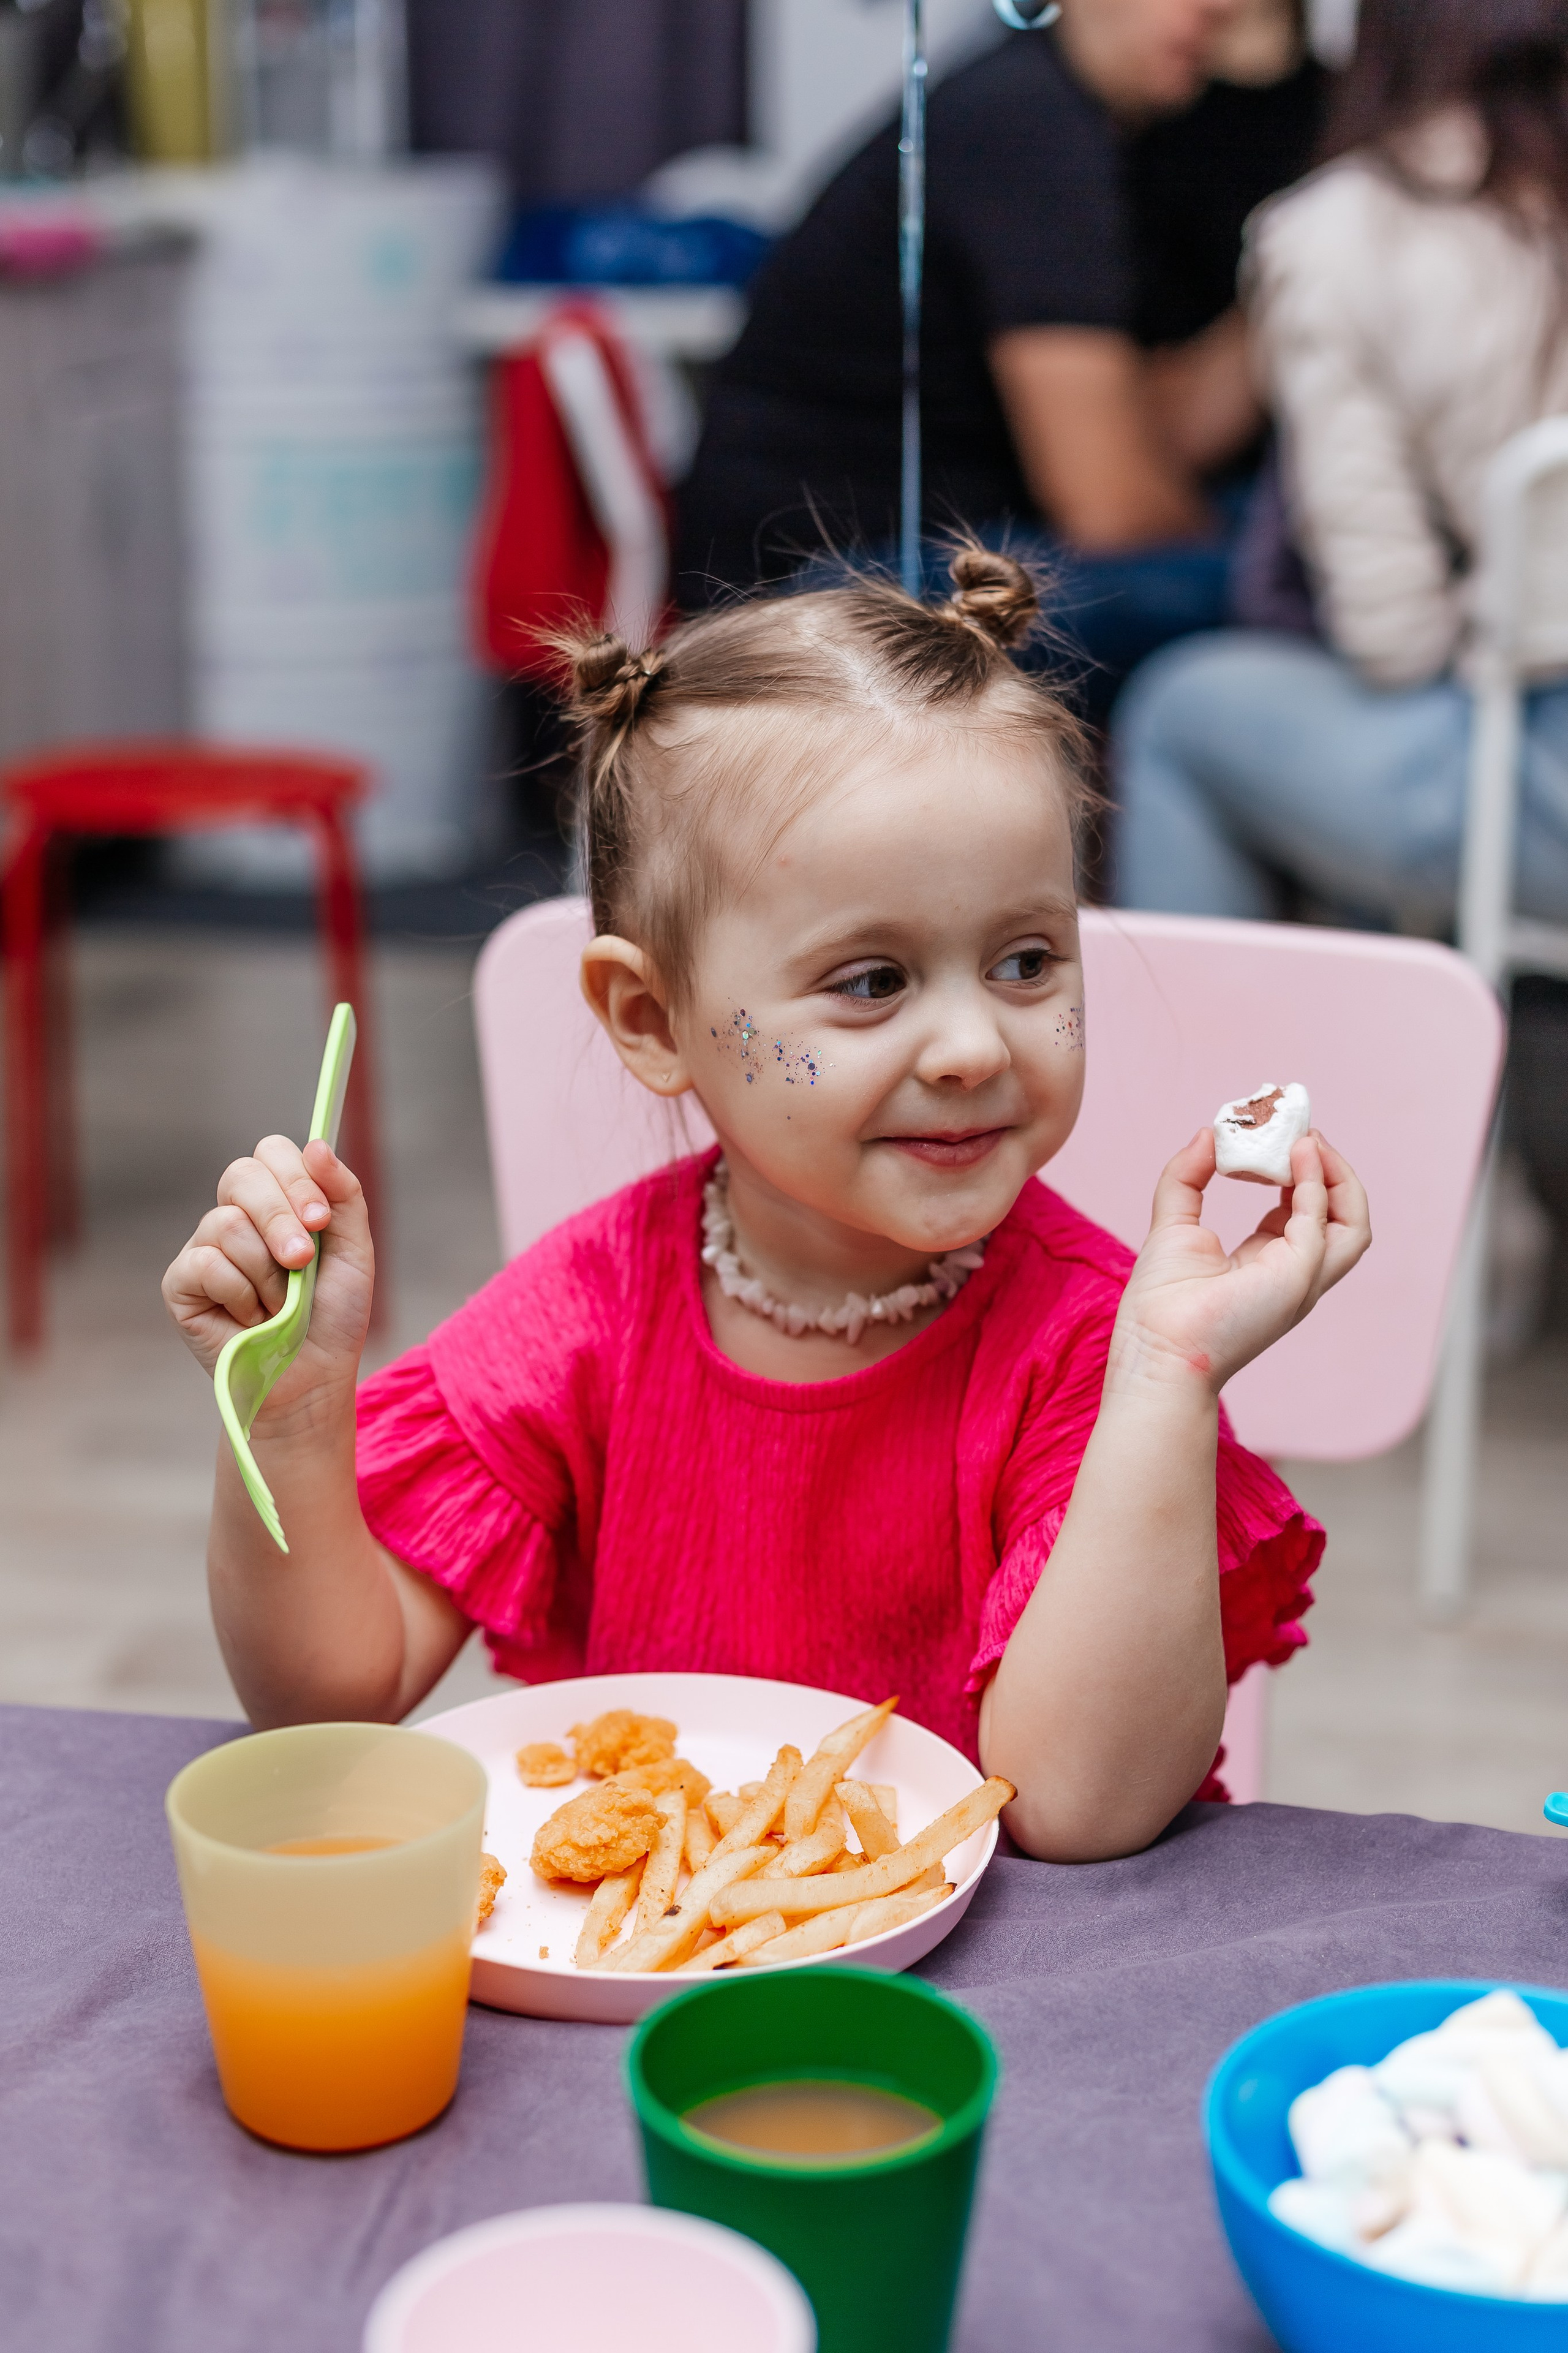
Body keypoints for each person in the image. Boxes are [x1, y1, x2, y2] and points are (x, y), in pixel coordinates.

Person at [162, 548, 1369, 1865]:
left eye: (1025, 961)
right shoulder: (586, 1309)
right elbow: (330, 1699)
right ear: (650, 1017)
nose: (970, 1045)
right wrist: (284, 1418)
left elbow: (1074, 1810)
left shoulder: (1095, 1345)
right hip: (643, 2011)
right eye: (869, 981)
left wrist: (1167, 1377)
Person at [674, 0, 1325, 711]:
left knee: (1282, 539)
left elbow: (1160, 436)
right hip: (821, 592)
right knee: (1308, 583)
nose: (1218, 9)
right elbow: (1110, 506)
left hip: (872, 551)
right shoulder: (1027, 124)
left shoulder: (1065, 113)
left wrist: (1298, 269)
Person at [1115, 0, 1568, 925]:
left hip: (1546, 795)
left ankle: (1210, 1073)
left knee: (1177, 712)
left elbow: (1391, 636)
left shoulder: (1342, 230)